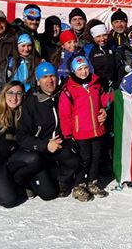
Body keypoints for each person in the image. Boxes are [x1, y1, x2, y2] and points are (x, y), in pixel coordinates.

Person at [15, 62, 80, 201]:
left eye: (52, 76)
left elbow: (83, 107)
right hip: (38, 152)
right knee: (48, 194)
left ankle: (60, 180)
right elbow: (21, 137)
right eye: (45, 77)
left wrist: (100, 112)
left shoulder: (63, 96)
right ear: (38, 81)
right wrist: (44, 145)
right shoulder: (31, 103)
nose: (50, 80)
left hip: (59, 146)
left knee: (74, 160)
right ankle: (27, 181)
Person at [59, 55, 109, 200]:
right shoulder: (68, 90)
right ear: (74, 71)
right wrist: (68, 135)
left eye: (86, 68)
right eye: (80, 69)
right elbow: (65, 114)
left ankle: (92, 182)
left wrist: (110, 101)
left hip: (97, 129)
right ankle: (78, 185)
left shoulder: (95, 83)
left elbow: (102, 101)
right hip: (80, 132)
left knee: (96, 157)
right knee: (84, 159)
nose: (84, 72)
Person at [84, 20, 117, 91]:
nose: (102, 39)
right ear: (93, 37)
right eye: (98, 36)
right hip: (96, 87)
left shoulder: (112, 46)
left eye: (104, 35)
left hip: (113, 86)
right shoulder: (88, 49)